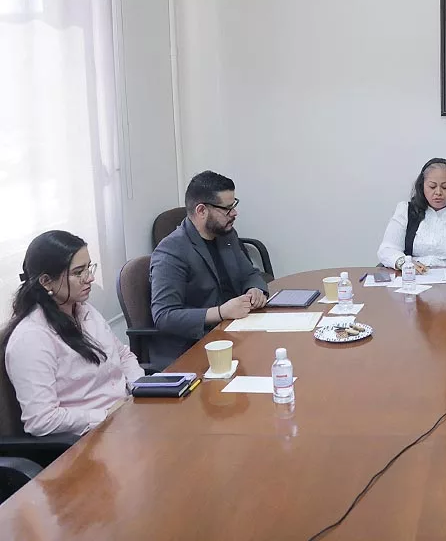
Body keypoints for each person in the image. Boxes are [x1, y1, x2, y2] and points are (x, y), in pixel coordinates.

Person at [3, 231, 144, 437]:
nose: (90, 278)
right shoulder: (31, 338)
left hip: (127, 415)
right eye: (78, 272)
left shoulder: (84, 310)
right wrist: (104, 416)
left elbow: (122, 354)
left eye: (89, 267)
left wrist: (140, 387)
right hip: (93, 437)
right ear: (46, 281)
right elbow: (41, 420)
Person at [150, 171, 268, 368]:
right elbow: (164, 316)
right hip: (197, 345)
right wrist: (221, 312)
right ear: (201, 210)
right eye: (227, 208)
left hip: (235, 331)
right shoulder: (171, 251)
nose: (234, 213)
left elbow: (249, 273)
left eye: (234, 205)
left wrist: (255, 289)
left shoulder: (226, 235)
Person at [378, 158, 446, 279]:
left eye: (445, 187)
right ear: (422, 186)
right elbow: (386, 250)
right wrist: (403, 262)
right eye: (432, 186)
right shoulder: (405, 210)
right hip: (413, 278)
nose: (438, 192)